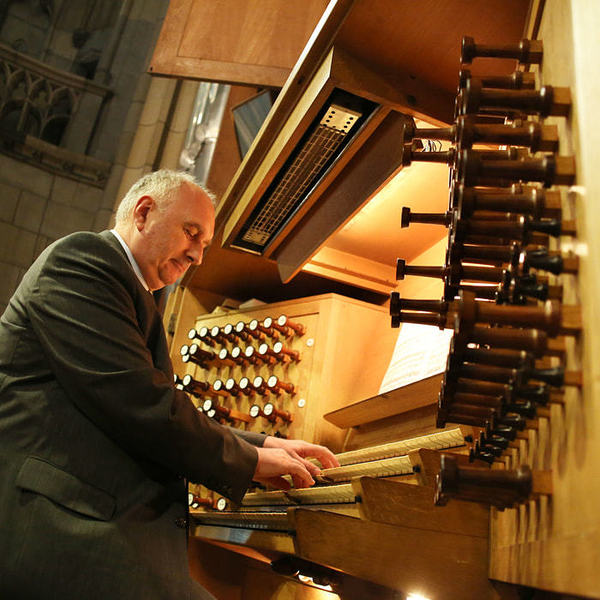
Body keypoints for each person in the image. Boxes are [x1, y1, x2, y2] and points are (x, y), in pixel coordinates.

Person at [0, 169, 339, 599]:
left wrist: (262, 446)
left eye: (204, 244)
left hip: (101, 519)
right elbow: (140, 403)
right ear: (143, 213)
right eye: (191, 232)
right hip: (64, 529)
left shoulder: (132, 288)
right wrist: (249, 462)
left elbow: (150, 401)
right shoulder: (82, 262)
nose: (197, 255)